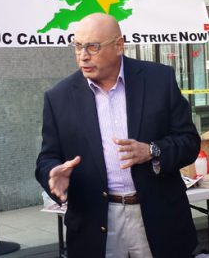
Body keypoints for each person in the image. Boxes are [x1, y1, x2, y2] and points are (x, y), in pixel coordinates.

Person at [35, 13, 200, 258]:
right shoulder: (59, 97)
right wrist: (53, 174)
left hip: (157, 217)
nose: (83, 56)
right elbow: (47, 158)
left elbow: (189, 141)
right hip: (96, 220)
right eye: (78, 46)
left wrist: (152, 151)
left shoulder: (158, 80)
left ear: (119, 45)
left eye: (93, 46)